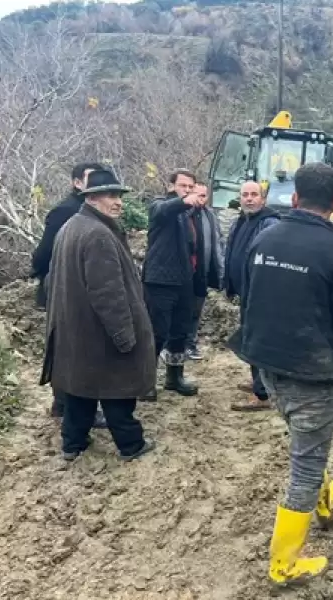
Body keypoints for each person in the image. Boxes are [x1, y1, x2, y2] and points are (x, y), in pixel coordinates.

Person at [227, 163, 333, 584]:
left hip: (267, 364)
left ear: (293, 198)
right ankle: (284, 564)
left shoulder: (265, 237)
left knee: (306, 439)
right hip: (313, 372)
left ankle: (324, 499)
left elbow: (248, 298)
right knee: (305, 462)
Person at [40, 169, 156, 462]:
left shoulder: (72, 226)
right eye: (111, 196)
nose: (118, 202)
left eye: (119, 196)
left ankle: (72, 443)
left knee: (81, 388)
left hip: (76, 331)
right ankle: (132, 445)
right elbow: (108, 295)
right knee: (117, 390)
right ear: (91, 198)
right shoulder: (98, 234)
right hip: (99, 334)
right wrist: (125, 337)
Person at [31, 161, 107, 429]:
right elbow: (42, 255)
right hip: (64, 290)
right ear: (77, 183)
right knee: (70, 347)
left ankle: (64, 404)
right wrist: (50, 278)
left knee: (73, 347)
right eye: (91, 179)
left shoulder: (89, 211)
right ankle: (67, 404)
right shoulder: (65, 211)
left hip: (75, 288)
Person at [140, 169, 203, 401]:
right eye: (182, 186)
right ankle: (145, 382)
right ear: (171, 186)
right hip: (159, 280)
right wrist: (184, 201)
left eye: (190, 187)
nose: (187, 191)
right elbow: (162, 210)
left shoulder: (188, 214)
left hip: (184, 280)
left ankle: (174, 378)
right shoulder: (161, 206)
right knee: (155, 334)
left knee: (180, 332)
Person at [223, 180, 280, 411]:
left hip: (258, 295)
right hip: (246, 292)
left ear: (263, 199)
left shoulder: (268, 222)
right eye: (245, 194)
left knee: (257, 342)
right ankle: (259, 382)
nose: (249, 198)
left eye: (254, 194)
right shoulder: (244, 220)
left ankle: (263, 395)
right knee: (250, 339)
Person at [162, 181, 224, 361]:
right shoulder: (182, 215)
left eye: (204, 196)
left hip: (202, 272)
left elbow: (217, 244)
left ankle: (190, 344)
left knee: (196, 311)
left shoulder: (210, 216)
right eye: (197, 195)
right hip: (183, 273)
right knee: (180, 313)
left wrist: (219, 272)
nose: (200, 199)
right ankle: (173, 348)